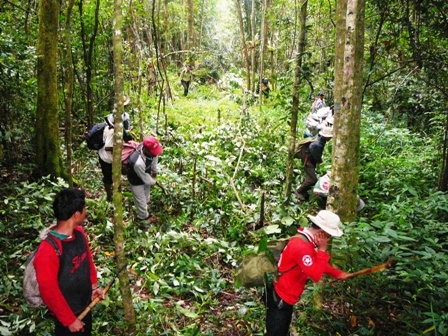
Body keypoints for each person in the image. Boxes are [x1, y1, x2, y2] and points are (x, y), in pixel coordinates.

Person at [264, 210, 351, 336]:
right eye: (329, 235)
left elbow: (316, 263)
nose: (329, 239)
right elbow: (315, 275)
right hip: (281, 298)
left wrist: (337, 273)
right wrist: (322, 250)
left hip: (285, 296)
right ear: (322, 233)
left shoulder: (306, 241)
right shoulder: (301, 246)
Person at [33, 188, 104, 336]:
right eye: (85, 208)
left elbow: (87, 261)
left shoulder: (79, 233)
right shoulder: (47, 251)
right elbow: (48, 291)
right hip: (67, 317)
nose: (86, 211)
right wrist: (69, 320)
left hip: (85, 305)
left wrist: (94, 287)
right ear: (76, 214)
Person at [100, 95, 133, 201]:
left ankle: (116, 194)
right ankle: (109, 197)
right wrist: (122, 147)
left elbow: (126, 132)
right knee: (108, 178)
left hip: (116, 157)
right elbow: (108, 147)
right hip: (107, 158)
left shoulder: (125, 116)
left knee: (116, 176)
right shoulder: (111, 129)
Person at [127, 136, 163, 224]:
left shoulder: (153, 152)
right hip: (135, 179)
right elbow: (146, 180)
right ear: (146, 150)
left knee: (146, 196)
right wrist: (155, 181)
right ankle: (143, 218)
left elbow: (154, 161)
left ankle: (147, 205)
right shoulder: (137, 162)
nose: (156, 153)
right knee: (140, 200)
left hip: (147, 172)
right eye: (154, 152)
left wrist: (154, 172)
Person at [295, 126, 333, 202]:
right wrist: (319, 159)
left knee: (309, 177)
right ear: (326, 137)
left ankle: (304, 194)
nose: (330, 138)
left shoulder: (320, 140)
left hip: (309, 161)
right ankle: (298, 192)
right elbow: (315, 152)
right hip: (308, 162)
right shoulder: (317, 144)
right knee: (312, 179)